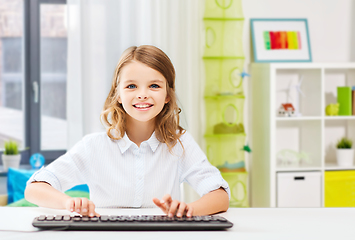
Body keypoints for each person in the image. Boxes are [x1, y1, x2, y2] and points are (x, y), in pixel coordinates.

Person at [25, 45, 230, 218]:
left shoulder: (179, 143)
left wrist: (189, 210)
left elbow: (220, 196)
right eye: (131, 86)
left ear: (168, 95)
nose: (142, 94)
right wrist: (69, 203)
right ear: (118, 95)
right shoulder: (94, 146)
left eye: (154, 86)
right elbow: (34, 188)